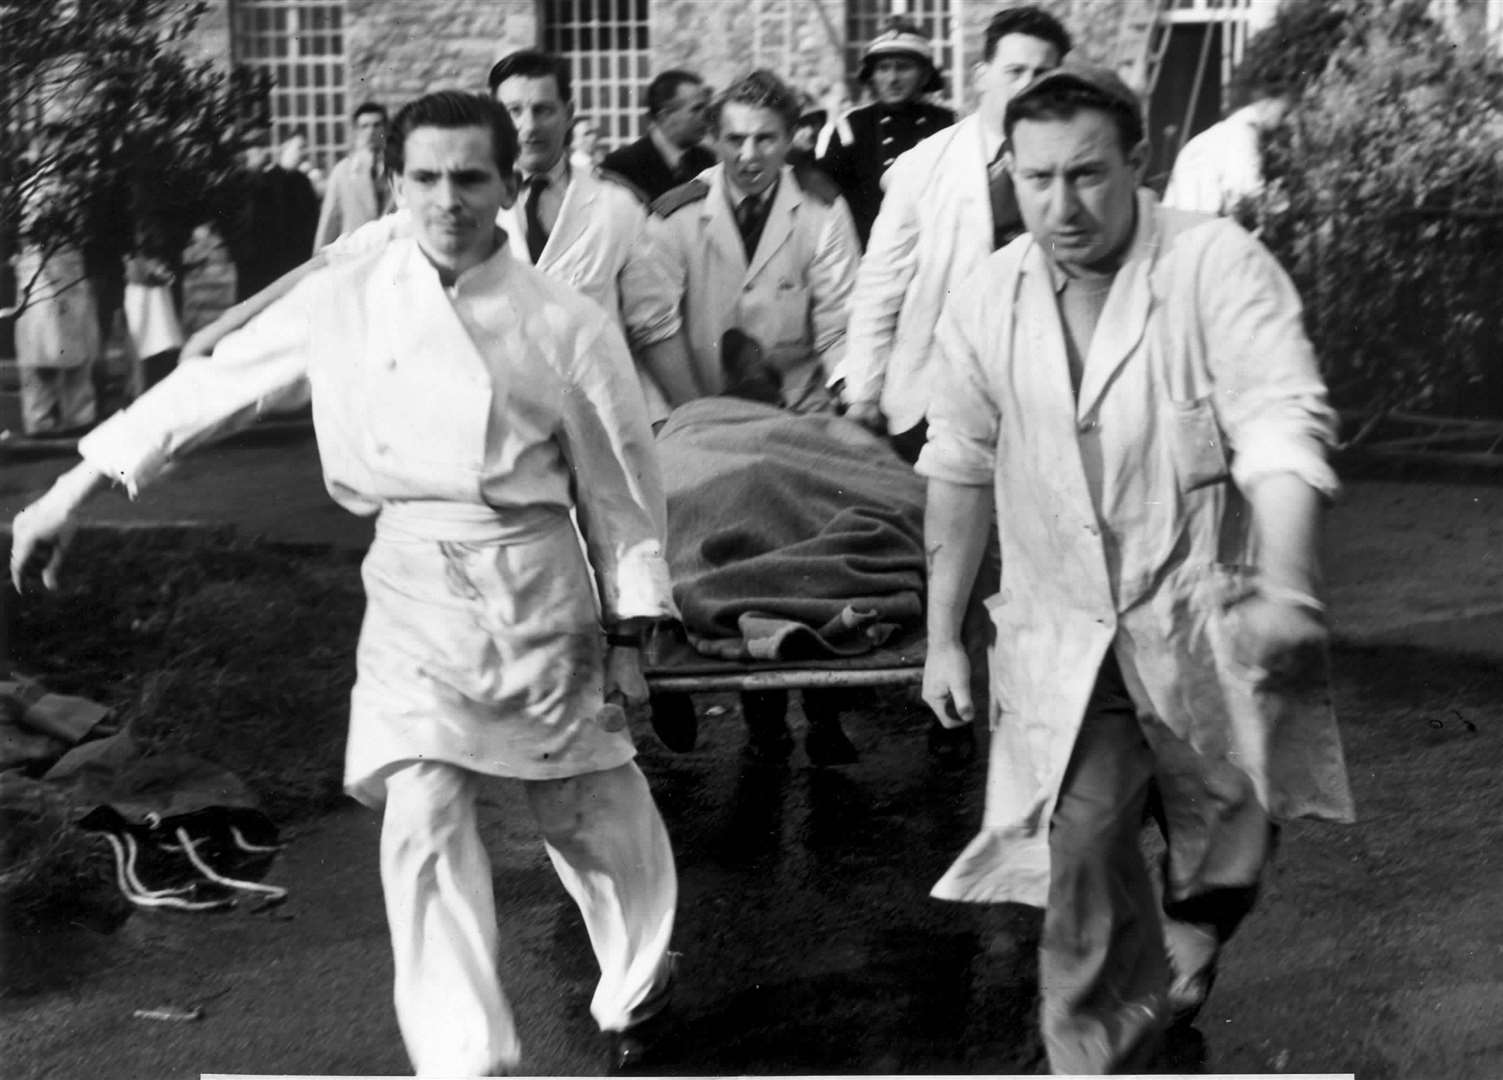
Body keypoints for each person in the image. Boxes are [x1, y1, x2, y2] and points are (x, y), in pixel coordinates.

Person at [11, 90, 681, 1078]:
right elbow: (217, 382)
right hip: (411, 583)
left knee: (581, 805)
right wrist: (73, 488)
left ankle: (634, 974)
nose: (447, 199)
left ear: (506, 185)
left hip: (535, 590)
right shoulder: (352, 294)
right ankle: (466, 1056)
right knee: (421, 813)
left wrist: (633, 626)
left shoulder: (563, 322)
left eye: (469, 177)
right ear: (394, 183)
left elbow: (624, 488)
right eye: (425, 177)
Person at [916, 63, 1356, 1074]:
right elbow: (957, 465)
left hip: (1204, 611)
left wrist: (1286, 588)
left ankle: (1193, 932)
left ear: (1138, 162)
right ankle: (1096, 1051)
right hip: (1065, 629)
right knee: (1083, 849)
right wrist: (942, 636)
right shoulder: (989, 297)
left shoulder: (1217, 267)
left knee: (1229, 826)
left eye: (1086, 175)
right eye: (1036, 180)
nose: (1061, 207)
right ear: (1010, 176)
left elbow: (1281, 427)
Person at [180, 52, 687, 427]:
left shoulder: (616, 208)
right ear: (493, 115)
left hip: (595, 423)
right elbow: (334, 262)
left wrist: (692, 419)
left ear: (569, 112)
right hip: (492, 425)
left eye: (543, 110)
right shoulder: (452, 203)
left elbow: (653, 326)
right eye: (513, 111)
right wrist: (225, 323)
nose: (529, 127)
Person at [645, 69, 863, 765]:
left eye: (765, 139)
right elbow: (654, 321)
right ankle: (756, 712)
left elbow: (840, 322)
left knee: (807, 547)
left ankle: (823, 706)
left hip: (797, 404)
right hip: (698, 405)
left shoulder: (822, 210)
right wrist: (690, 415)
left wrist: (843, 393)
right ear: (713, 137)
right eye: (734, 138)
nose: (748, 154)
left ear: (792, 138)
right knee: (726, 548)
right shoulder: (677, 214)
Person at [836, 5, 1069, 462]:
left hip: (1042, 396)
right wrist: (863, 393)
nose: (1027, 85)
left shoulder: (1075, 168)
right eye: (1014, 70)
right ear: (982, 75)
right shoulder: (925, 165)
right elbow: (881, 283)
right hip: (931, 396)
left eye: (1042, 73)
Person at [815, 16, 955, 248]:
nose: (892, 79)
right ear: (872, 76)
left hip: (933, 250)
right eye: (883, 68)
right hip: (867, 250)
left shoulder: (949, 124)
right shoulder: (851, 127)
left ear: (925, 74)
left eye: (903, 67)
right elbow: (824, 194)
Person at [10, 126, 100, 437]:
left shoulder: (70, 186)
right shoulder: (38, 189)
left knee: (68, 344)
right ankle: (49, 417)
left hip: (67, 268)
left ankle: (68, 415)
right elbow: (26, 233)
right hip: (45, 271)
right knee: (43, 347)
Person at [227, 124, 321, 300]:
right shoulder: (265, 182)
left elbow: (313, 222)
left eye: (305, 148)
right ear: (284, 147)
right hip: (270, 266)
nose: (304, 152)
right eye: (300, 147)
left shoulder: (304, 183)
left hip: (299, 262)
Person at [601, 70, 715, 203]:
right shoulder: (620, 167)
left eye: (706, 108)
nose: (706, 117)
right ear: (664, 116)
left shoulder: (707, 161)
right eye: (696, 109)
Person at [312, 101, 390, 252]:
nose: (371, 131)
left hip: (391, 258)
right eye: (364, 126)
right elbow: (329, 223)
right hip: (354, 258)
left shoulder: (399, 169)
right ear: (356, 132)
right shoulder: (342, 172)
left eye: (377, 125)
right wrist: (318, 261)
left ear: (386, 129)